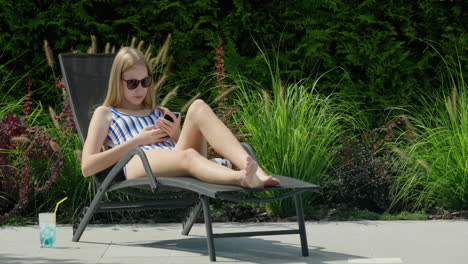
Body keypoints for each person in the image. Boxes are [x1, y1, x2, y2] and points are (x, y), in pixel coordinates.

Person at [81, 47, 280, 189]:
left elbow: (176, 151)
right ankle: (241, 178)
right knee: (189, 156)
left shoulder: (159, 111)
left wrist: (176, 135)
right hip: (137, 162)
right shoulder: (105, 113)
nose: (140, 89)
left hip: (174, 158)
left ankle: (258, 173)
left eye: (145, 82)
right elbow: (87, 167)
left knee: (198, 107)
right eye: (132, 83)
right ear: (118, 82)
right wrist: (137, 142)